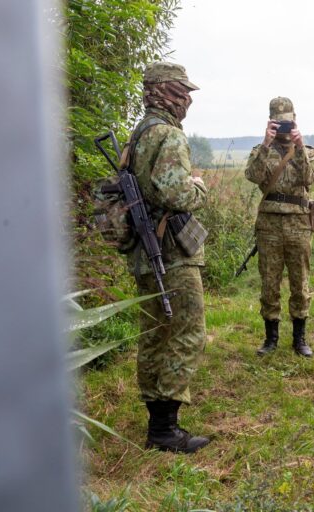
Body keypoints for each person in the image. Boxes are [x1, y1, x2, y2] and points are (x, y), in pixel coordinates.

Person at [130, 62, 210, 452]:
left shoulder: (139, 134)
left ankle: (156, 422)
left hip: (145, 251)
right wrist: (199, 189)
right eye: (183, 91)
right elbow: (175, 195)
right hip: (171, 255)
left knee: (155, 335)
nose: (188, 99)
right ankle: (166, 429)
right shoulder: (168, 136)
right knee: (187, 332)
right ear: (165, 91)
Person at [245, 97, 314, 357]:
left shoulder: (308, 151)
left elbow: (308, 179)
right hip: (269, 225)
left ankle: (300, 339)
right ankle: (270, 338)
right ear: (271, 122)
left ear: (295, 120)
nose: (285, 128)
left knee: (300, 282)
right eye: (279, 123)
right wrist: (266, 142)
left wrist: (298, 146)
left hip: (299, 223)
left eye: (289, 122)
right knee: (269, 282)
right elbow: (253, 176)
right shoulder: (260, 151)